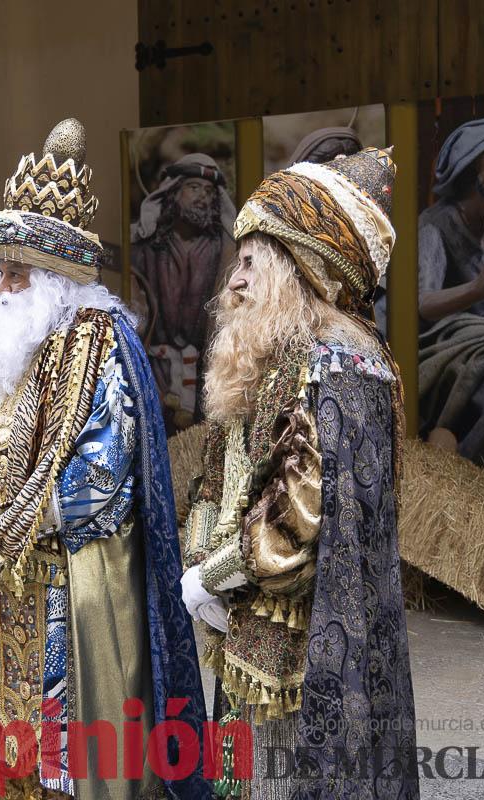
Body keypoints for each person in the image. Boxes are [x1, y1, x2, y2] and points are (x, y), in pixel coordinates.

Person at [0, 119, 209, 800]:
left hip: (77, 577)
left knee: (79, 760)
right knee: (14, 750)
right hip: (10, 583)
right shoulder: (8, 351)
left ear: (53, 276)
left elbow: (102, 473)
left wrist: (9, 526)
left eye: (13, 272)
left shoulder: (100, 344)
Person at [180, 148, 419, 798]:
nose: (234, 281)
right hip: (238, 634)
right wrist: (202, 557)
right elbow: (216, 475)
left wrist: (211, 574)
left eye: (253, 262)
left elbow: (295, 527)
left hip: (298, 661)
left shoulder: (336, 368)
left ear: (297, 267)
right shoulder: (262, 355)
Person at [416, 118, 484, 475]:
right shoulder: (436, 224)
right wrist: (477, 289)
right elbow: (423, 305)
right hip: (464, 339)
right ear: (470, 170)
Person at [131, 153, 238, 434]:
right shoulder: (145, 248)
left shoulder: (224, 250)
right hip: (157, 372)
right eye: (194, 188)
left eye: (208, 192)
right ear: (173, 192)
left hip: (206, 374)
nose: (202, 197)